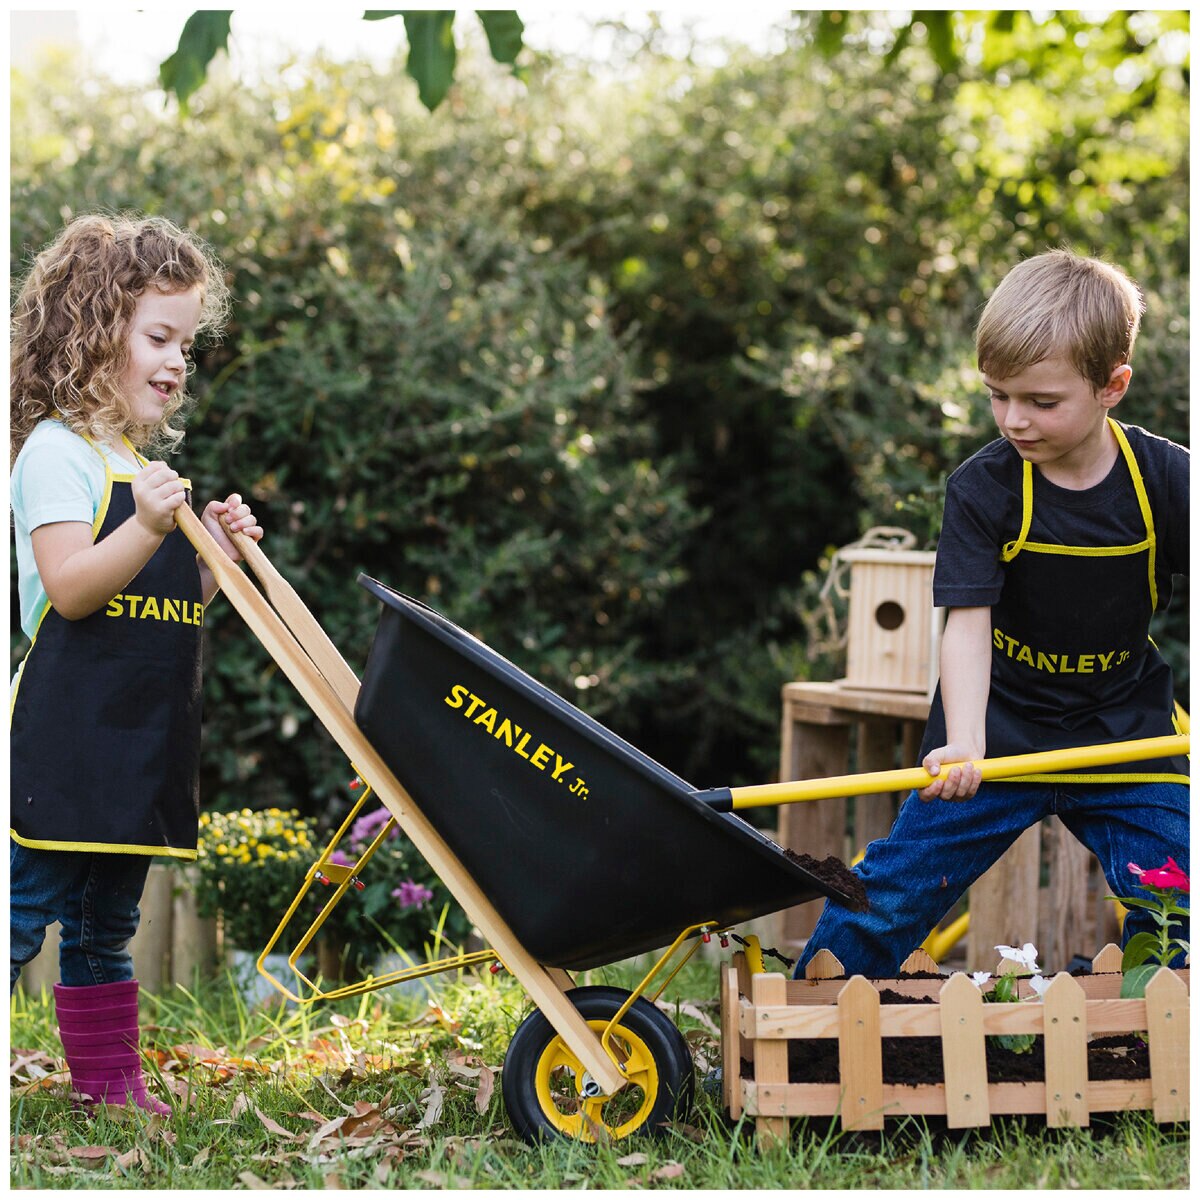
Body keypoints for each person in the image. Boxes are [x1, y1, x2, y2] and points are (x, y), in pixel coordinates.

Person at [796, 249, 1189, 978]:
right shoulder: (984, 489)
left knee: (1181, 897)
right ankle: (810, 1026)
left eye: (1041, 402)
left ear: (1113, 386)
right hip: (997, 726)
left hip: (1123, 728)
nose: (1014, 419)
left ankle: (1161, 1030)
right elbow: (967, 620)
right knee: (891, 890)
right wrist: (967, 742)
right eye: (997, 396)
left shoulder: (1168, 479)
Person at [9, 213, 264, 1113]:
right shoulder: (57, 454)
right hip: (64, 736)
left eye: (186, 343)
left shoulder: (130, 462)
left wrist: (216, 563)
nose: (178, 360)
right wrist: (150, 524)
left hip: (136, 740)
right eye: (160, 336)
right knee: (18, 914)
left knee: (105, 923)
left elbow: (160, 610)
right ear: (91, 330)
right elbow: (74, 588)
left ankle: (111, 1088)